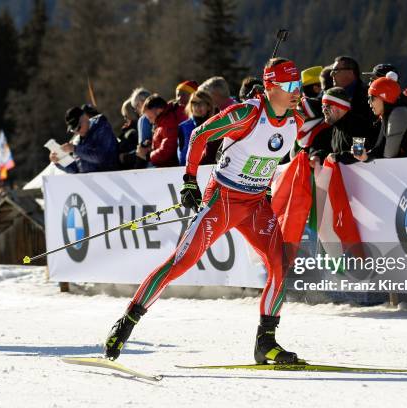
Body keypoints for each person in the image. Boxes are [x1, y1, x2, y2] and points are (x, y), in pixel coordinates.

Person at [104, 57, 305, 364]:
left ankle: (266, 342)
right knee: (180, 263)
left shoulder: (296, 117)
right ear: (270, 87)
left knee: (280, 265)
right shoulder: (246, 114)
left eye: (298, 84)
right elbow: (199, 136)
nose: (296, 91)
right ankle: (126, 323)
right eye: (288, 85)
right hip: (222, 200)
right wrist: (189, 180)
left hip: (255, 205)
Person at [353, 76, 407, 161]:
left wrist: (369, 157)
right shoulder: (387, 114)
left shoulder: (398, 114)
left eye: (371, 98)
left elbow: (389, 155)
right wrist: (365, 156)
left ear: (384, 97)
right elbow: (379, 148)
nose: (368, 102)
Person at [50, 106, 119, 173]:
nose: (77, 132)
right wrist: (59, 161)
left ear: (86, 117)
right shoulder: (77, 140)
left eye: (78, 127)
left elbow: (100, 157)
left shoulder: (102, 128)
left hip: (112, 178)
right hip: (92, 182)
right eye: (73, 130)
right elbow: (76, 169)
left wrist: (75, 149)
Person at [328, 56, 377, 141]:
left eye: (336, 70)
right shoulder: (335, 97)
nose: (331, 74)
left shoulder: (368, 96)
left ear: (350, 72)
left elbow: (368, 132)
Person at [137, 95, 181, 167]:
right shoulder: (162, 122)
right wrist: (150, 146)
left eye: (150, 117)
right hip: (164, 163)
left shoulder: (168, 122)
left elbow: (167, 150)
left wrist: (148, 156)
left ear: (159, 111)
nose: (150, 122)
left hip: (169, 166)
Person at [177, 90, 214, 166]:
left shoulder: (216, 125)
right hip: (188, 170)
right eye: (194, 103)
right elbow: (181, 155)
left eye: (201, 103)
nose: (197, 106)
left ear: (209, 106)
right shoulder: (183, 127)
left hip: (210, 169)